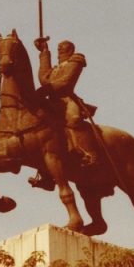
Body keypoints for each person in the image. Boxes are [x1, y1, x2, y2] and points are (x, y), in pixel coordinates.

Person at [33, 36, 99, 168]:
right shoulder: (55, 69)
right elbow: (43, 78)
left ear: (71, 50)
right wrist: (44, 52)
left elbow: (65, 83)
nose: (60, 50)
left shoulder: (76, 61)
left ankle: (87, 153)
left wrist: (45, 89)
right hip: (52, 102)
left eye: (63, 48)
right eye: (58, 48)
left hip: (68, 100)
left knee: (73, 120)